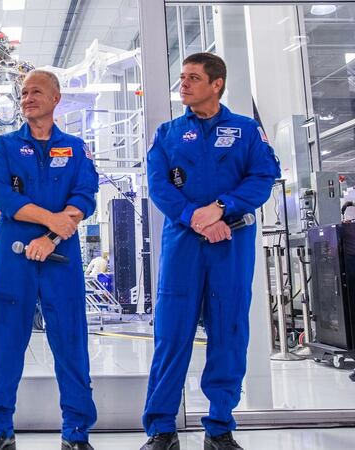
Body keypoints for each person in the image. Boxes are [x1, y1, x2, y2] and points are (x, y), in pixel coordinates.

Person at [140, 53, 280, 450]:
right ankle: (161, 429)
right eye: (182, 77)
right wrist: (195, 217)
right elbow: (160, 186)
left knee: (229, 332)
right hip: (183, 243)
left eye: (193, 78)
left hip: (230, 244)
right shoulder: (167, 133)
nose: (183, 84)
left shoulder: (247, 130)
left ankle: (219, 427)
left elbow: (262, 178)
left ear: (217, 84)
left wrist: (221, 208)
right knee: (171, 334)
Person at [0, 69, 99, 450]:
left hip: (61, 259)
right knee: (6, 344)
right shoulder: (4, 147)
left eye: (36, 92)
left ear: (55, 99)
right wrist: (52, 221)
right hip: (15, 261)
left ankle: (76, 433)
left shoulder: (77, 149)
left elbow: (85, 197)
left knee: (71, 343)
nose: (27, 97)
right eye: (24, 92)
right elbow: (5, 200)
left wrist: (50, 238)